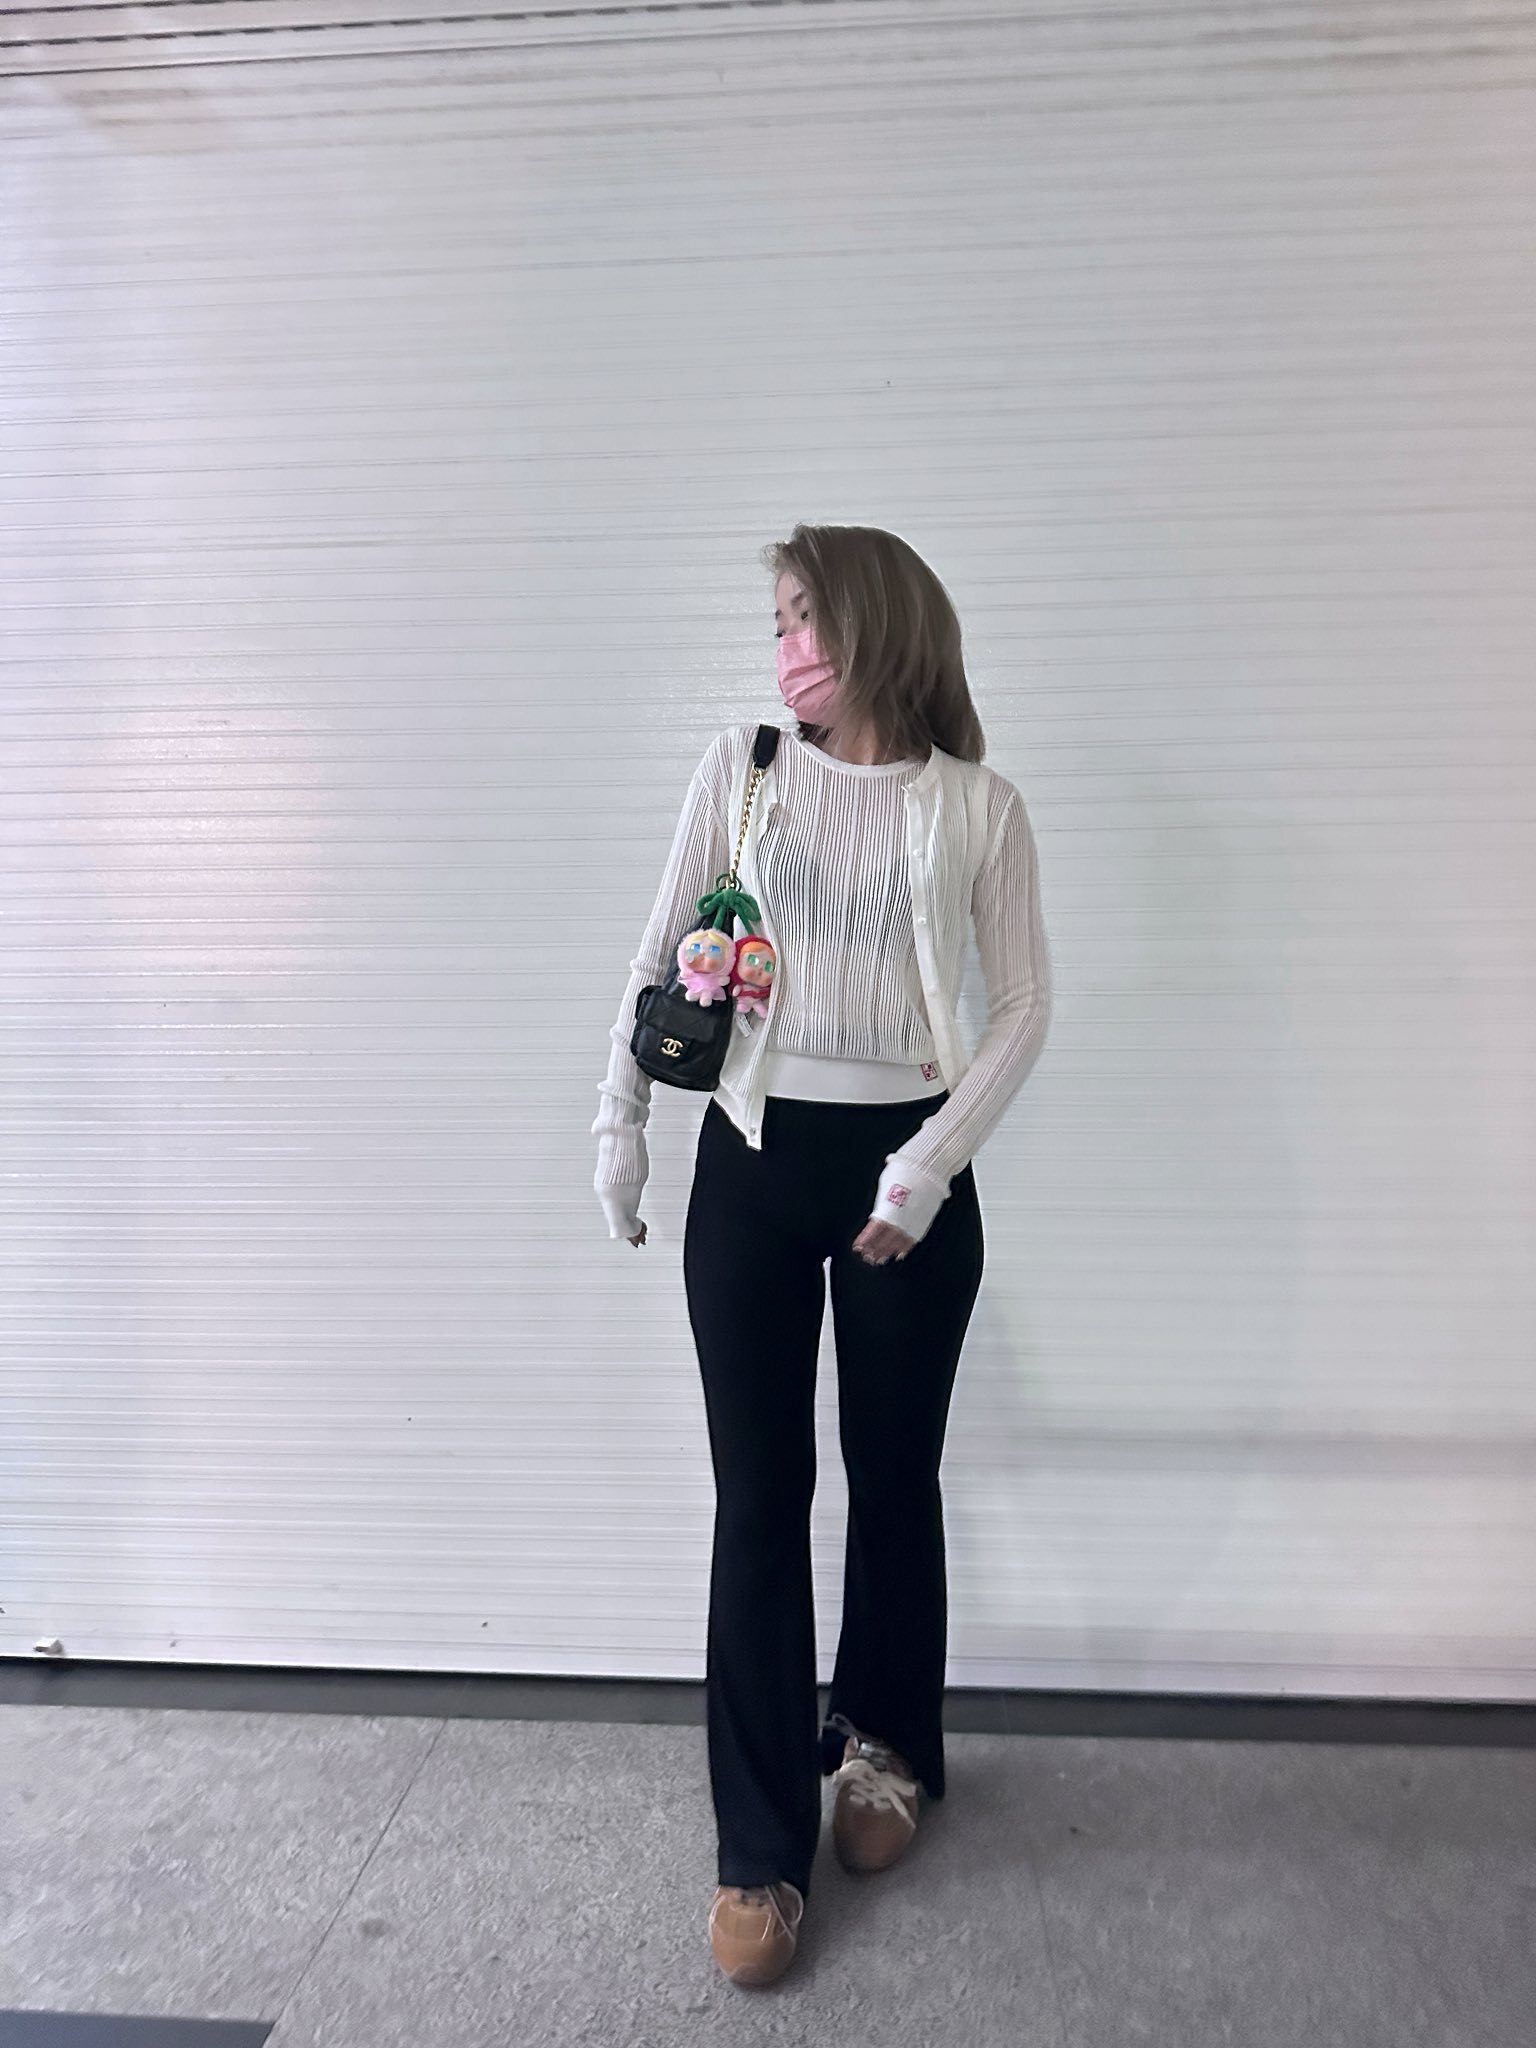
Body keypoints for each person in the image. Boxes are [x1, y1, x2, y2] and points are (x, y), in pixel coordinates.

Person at [592, 523, 1052, 1987]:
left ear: (877, 627)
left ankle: (886, 1749)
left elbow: (1022, 1006)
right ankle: (758, 1847)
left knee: (895, 1475)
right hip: (752, 1161)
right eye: (778, 620)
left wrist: (927, 1164)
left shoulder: (979, 807)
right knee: (760, 1494)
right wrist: (620, 1122)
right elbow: (660, 955)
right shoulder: (741, 773)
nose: (786, 645)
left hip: (911, 1169)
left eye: (807, 617)